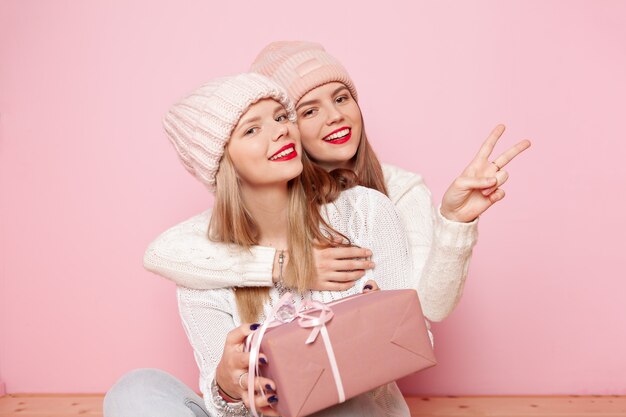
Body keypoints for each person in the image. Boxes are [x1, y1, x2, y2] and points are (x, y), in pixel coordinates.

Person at [144, 41, 531, 323]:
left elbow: (427, 310)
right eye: (308, 110)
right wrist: (289, 266)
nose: (335, 116)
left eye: (342, 98)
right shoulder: (273, 200)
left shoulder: (396, 191)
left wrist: (453, 223)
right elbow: (167, 251)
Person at [105, 73, 415, 417]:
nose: (281, 130)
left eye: (281, 117)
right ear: (224, 163)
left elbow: (410, 343)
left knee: (334, 398)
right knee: (135, 391)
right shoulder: (205, 262)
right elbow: (224, 406)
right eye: (252, 129)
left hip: (350, 408)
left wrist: (370, 326)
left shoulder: (364, 212)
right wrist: (229, 385)